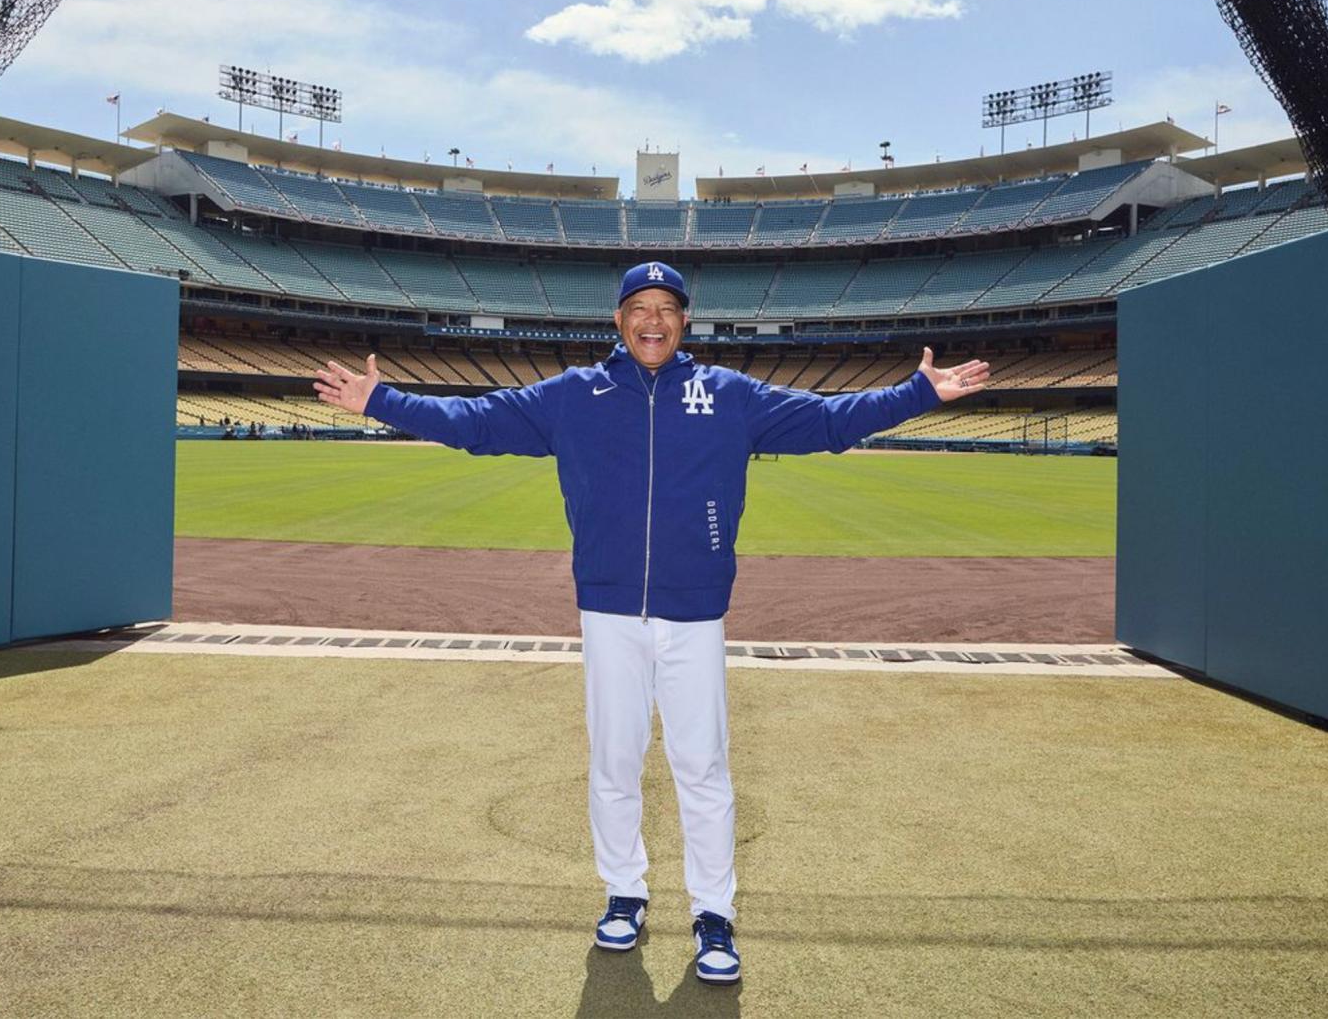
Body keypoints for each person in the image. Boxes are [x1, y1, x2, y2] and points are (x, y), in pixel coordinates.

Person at [313, 261, 989, 986]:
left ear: (685, 321)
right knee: (614, 763)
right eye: (640, 306)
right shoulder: (575, 395)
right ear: (618, 319)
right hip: (609, 611)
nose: (654, 319)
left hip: (696, 613)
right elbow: (476, 423)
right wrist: (383, 400)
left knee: (702, 768)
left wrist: (918, 392)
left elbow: (826, 423)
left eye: (668, 307)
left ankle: (713, 914)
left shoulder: (727, 394)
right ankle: (625, 892)